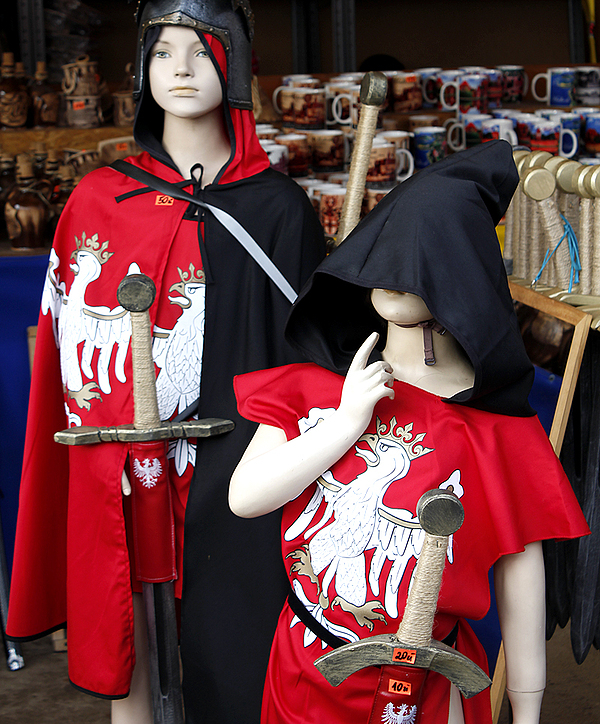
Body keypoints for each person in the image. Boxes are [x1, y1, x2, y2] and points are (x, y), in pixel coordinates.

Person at [7, 0, 325, 724]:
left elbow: (306, 364)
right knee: (136, 668)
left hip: (241, 480)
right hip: (126, 471)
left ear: (235, 61)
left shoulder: (279, 208)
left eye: (201, 49)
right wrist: (109, 448)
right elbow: (68, 360)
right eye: (161, 50)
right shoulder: (98, 200)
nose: (180, 69)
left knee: (243, 661)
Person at [229, 141, 589, 724]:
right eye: (386, 250)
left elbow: (522, 587)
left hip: (427, 686)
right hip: (304, 668)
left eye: (421, 255)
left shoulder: (500, 434)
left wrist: (527, 711)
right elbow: (245, 498)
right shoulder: (312, 388)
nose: (394, 271)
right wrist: (344, 423)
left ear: (462, 271)